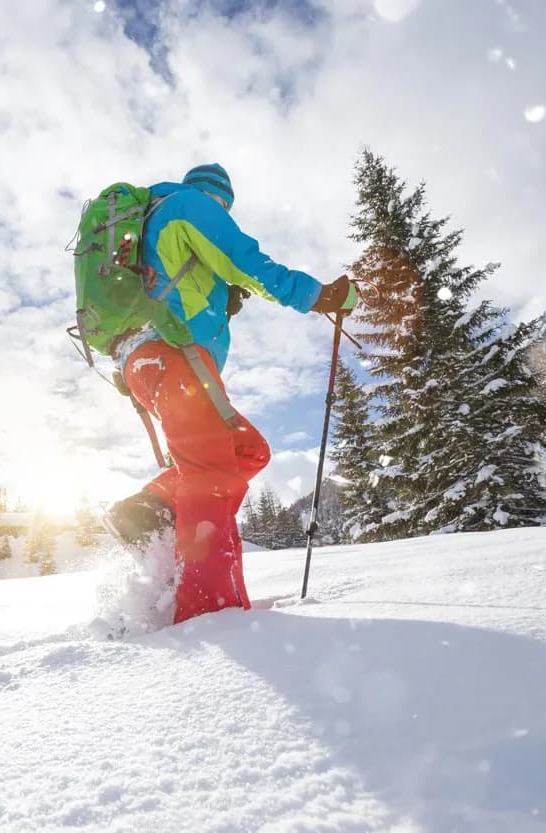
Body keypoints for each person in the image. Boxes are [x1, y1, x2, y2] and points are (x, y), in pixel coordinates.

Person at [103, 163, 358, 624]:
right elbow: (246, 261)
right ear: (219, 197)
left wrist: (219, 295)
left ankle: (151, 507)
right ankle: (210, 612)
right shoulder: (190, 205)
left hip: (156, 360)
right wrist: (320, 296)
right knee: (212, 473)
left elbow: (173, 286)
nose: (224, 212)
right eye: (226, 206)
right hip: (173, 357)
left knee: (247, 449)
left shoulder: (154, 221)